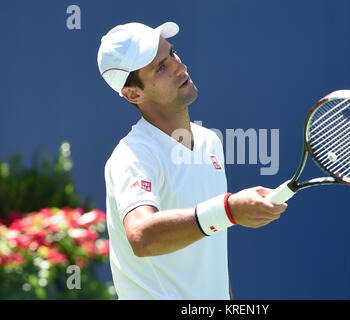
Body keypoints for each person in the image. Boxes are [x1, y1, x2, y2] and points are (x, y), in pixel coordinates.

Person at [97, 21, 287, 300]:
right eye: (160, 67)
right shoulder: (132, 156)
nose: (179, 67)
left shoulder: (209, 141)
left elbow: (210, 261)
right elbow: (141, 236)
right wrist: (229, 210)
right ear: (133, 94)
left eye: (172, 53)